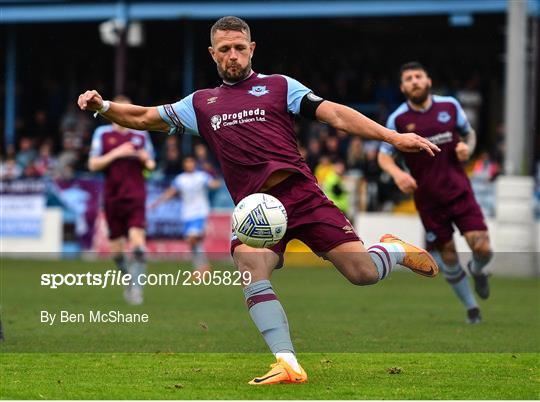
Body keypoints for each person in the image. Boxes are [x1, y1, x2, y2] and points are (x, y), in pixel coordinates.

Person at [78, 16, 440, 385]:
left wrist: (392, 137)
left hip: (302, 195)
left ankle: (393, 251)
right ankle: (287, 363)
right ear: (212, 54)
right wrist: (102, 106)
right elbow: (143, 116)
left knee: (362, 274)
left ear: (251, 49)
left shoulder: (280, 87)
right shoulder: (201, 104)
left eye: (239, 48)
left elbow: (334, 114)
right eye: (224, 50)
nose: (232, 55)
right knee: (250, 267)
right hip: (256, 210)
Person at [378, 62, 493, 324]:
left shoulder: (449, 106)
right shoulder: (398, 119)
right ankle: (472, 308)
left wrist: (467, 147)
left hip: (460, 192)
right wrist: (398, 174)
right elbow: (384, 157)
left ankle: (477, 269)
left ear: (428, 81)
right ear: (402, 87)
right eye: (409, 78)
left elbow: (469, 134)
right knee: (449, 255)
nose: (415, 81)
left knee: (483, 248)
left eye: (419, 76)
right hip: (429, 200)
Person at [88, 95, 156, 305]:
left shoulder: (141, 136)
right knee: (116, 252)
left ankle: (137, 289)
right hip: (112, 197)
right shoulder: (102, 134)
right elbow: (93, 165)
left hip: (135, 196)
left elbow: (152, 166)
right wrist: (117, 153)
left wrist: (146, 161)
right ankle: (129, 281)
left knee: (137, 245)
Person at [151, 156, 221, 275]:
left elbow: (215, 184)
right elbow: (171, 192)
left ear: (194, 164)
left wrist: (213, 173)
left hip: (200, 212)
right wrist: (158, 202)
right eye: (187, 162)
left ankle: (201, 268)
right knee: (193, 242)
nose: (189, 164)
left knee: (192, 238)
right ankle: (202, 267)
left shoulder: (201, 176)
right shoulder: (180, 179)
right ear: (184, 165)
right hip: (187, 214)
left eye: (191, 162)